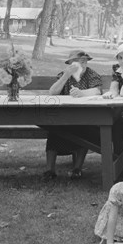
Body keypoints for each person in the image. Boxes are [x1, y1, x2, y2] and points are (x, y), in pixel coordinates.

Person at [43, 49, 103, 180]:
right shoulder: (65, 74)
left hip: (85, 116)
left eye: (84, 61)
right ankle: (49, 170)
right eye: (78, 61)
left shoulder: (92, 74)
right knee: (54, 130)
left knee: (83, 130)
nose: (82, 63)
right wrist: (66, 76)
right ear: (70, 63)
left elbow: (98, 91)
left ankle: (77, 168)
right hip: (64, 115)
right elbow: (52, 92)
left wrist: (83, 93)